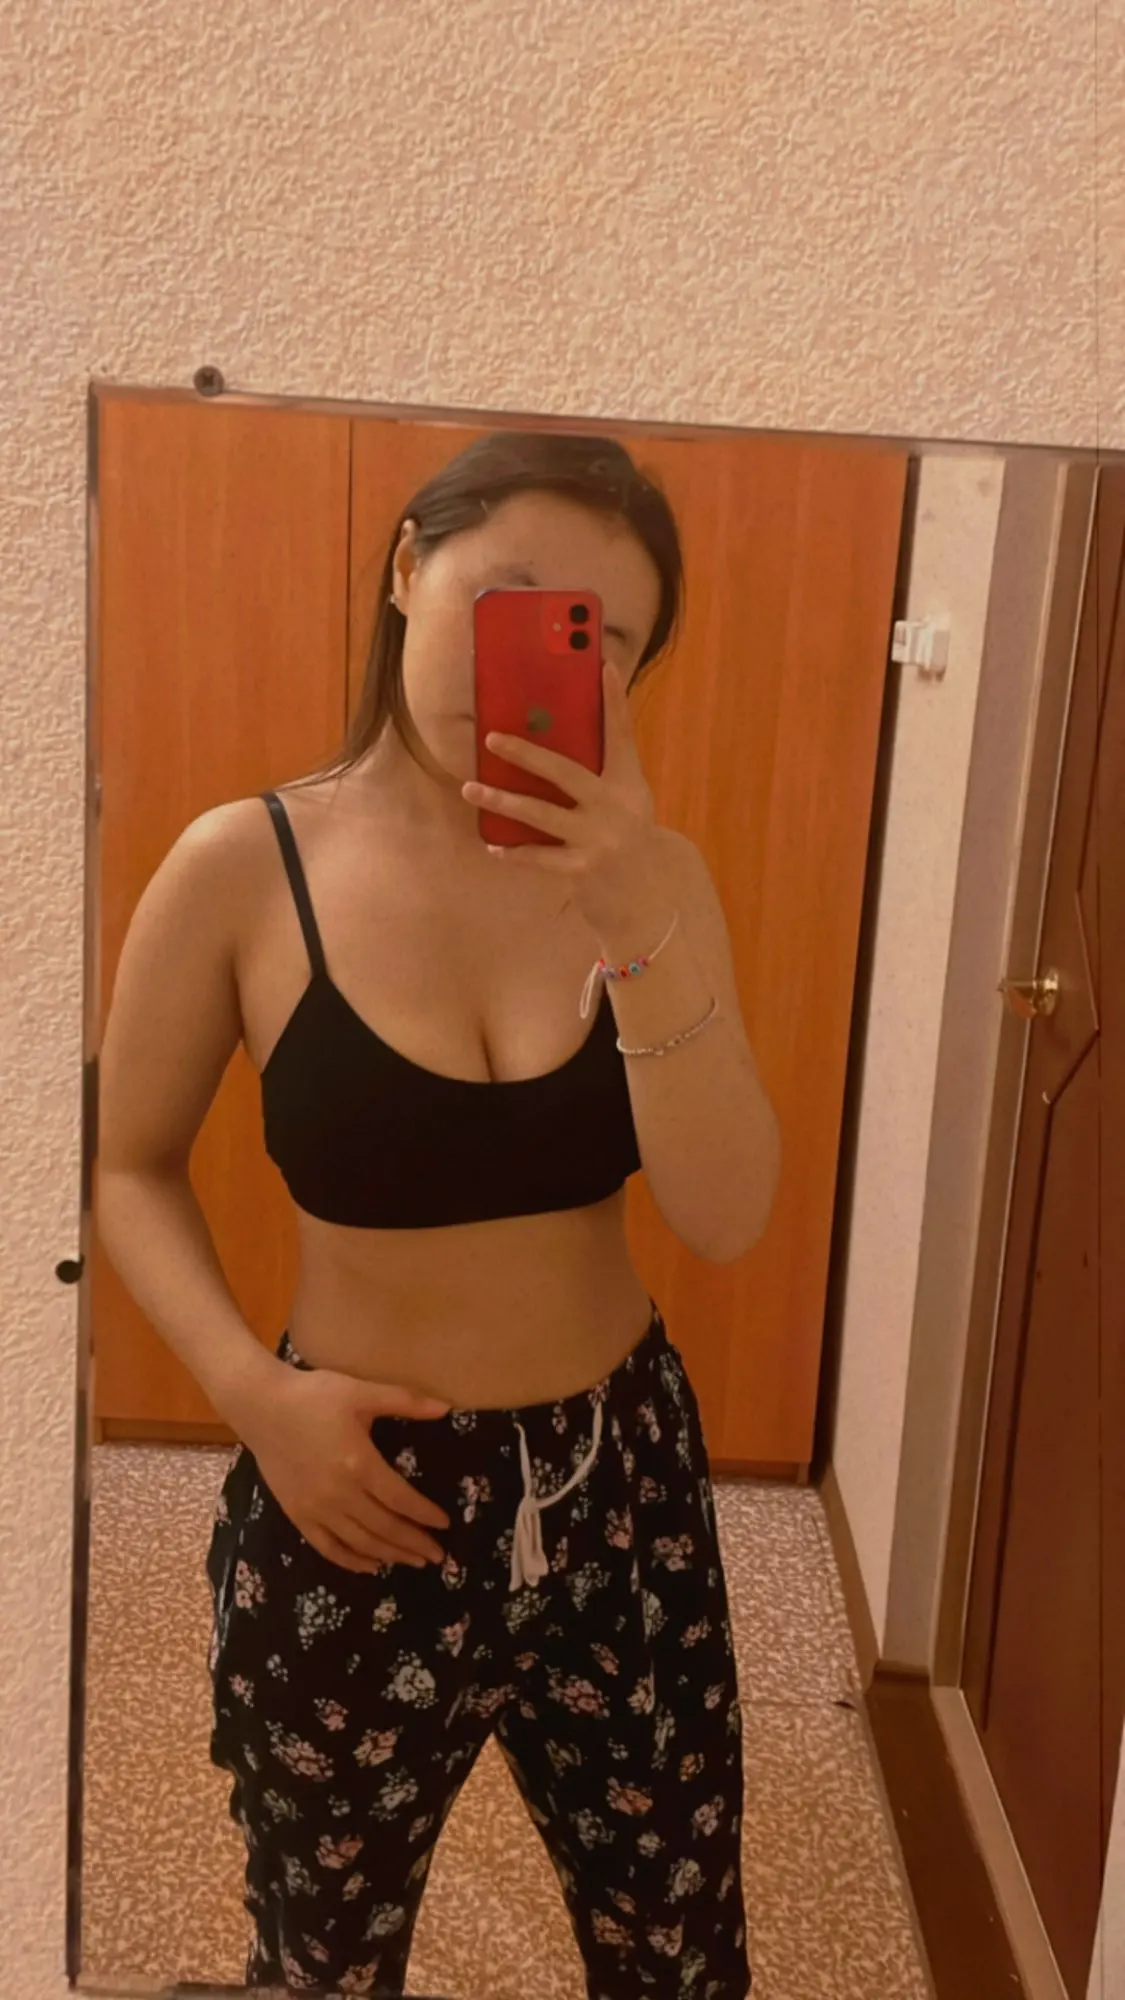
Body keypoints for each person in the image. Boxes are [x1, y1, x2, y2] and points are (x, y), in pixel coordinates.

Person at [96, 430, 780, 2000]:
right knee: (324, 1956)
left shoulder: (656, 884)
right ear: (409, 568)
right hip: (354, 1488)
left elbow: (727, 1215)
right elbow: (126, 1166)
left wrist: (639, 924)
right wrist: (253, 1397)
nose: (538, 652)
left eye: (598, 635)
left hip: (621, 1484)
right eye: (508, 592)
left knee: (679, 1950)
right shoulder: (243, 867)